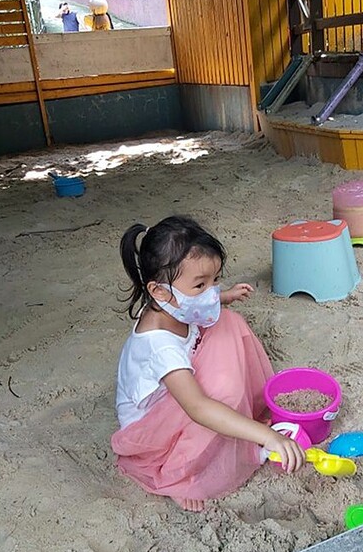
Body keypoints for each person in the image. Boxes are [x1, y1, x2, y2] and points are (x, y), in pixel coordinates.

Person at [111, 216, 305, 512]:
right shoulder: (159, 347)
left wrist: (222, 297)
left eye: (215, 281)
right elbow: (198, 408)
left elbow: (199, 307)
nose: (211, 292)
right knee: (220, 394)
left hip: (177, 396)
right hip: (152, 429)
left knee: (228, 321)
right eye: (200, 285)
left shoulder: (170, 305)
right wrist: (268, 436)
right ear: (159, 291)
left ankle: (248, 412)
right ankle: (179, 476)